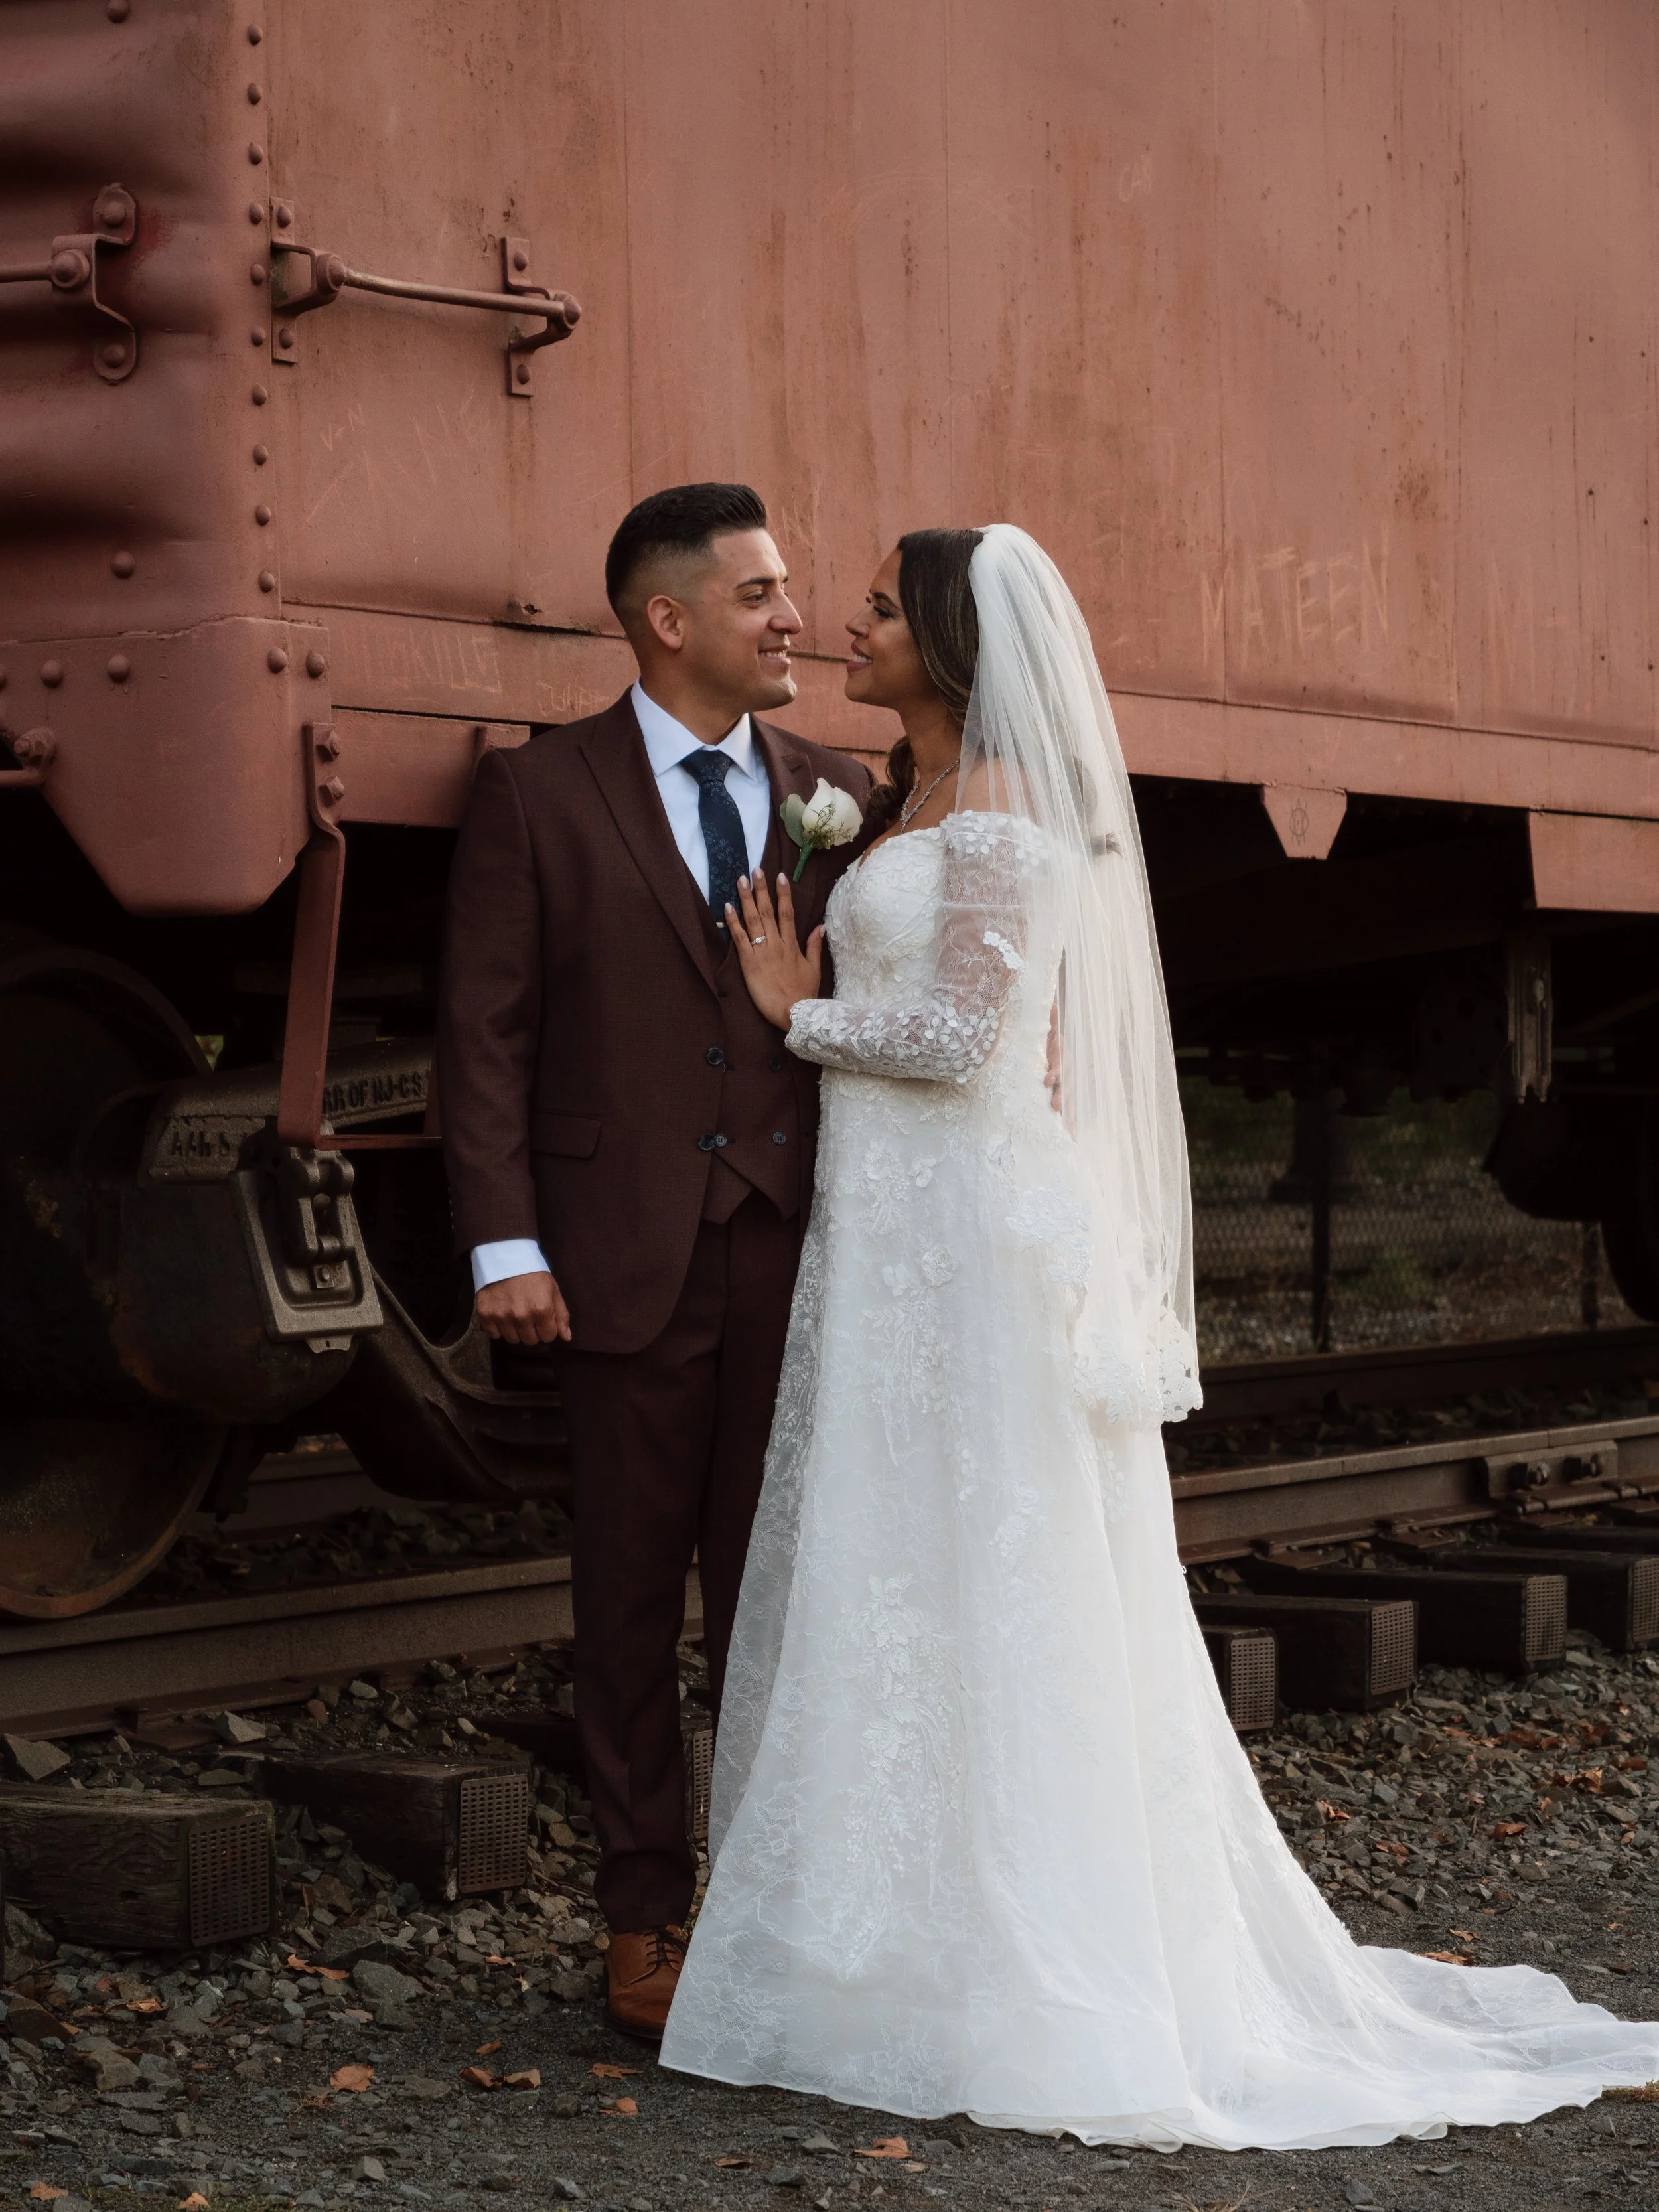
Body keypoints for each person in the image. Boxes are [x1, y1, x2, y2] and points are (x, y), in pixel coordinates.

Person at [658, 524, 1659, 2146]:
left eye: (874, 613)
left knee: (988, 1566)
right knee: (894, 1561)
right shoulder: (903, 803)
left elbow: (972, 1041)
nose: (845, 629)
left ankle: (1014, 1960)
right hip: (895, 1230)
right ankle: (885, 1954)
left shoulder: (992, 814)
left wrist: (798, 1013)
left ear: (948, 646)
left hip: (966, 1239)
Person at [437, 483, 873, 2040]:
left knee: (782, 1600)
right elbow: (485, 1035)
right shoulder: (539, 792)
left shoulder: (844, 791)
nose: (793, 619)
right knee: (624, 1601)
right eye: (760, 593)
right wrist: (505, 1240)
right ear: (666, 617)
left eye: (792, 589)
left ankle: (774, 1913)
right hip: (615, 1259)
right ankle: (641, 1920)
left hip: (799, 1250)